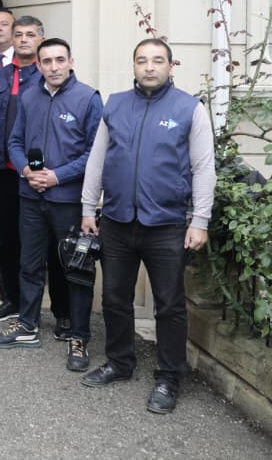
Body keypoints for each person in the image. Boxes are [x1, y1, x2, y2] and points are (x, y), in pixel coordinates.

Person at [79, 38, 215, 414]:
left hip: (167, 224)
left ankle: (169, 377)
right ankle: (120, 362)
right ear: (134, 66)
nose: (150, 67)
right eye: (142, 60)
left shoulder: (189, 108)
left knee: (169, 305)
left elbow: (204, 167)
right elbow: (97, 160)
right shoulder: (115, 105)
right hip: (117, 221)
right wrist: (88, 207)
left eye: (157, 60)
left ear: (171, 66)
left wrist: (200, 220)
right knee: (114, 299)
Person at [0, 37, 102, 375]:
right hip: (30, 197)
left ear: (71, 62)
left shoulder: (88, 99)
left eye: (59, 60)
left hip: (68, 200)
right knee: (29, 265)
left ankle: (78, 336)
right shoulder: (28, 97)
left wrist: (57, 176)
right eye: (47, 61)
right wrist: (26, 170)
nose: (54, 67)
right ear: (37, 65)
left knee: (76, 270)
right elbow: (13, 141)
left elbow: (95, 153)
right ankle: (27, 326)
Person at [0, 14, 49, 323]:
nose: (23, 39)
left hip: (39, 174)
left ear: (40, 39)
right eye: (18, 34)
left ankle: (49, 308)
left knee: (38, 241)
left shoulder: (47, 74)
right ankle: (12, 300)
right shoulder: (1, 75)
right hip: (5, 171)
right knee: (6, 239)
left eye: (29, 35)